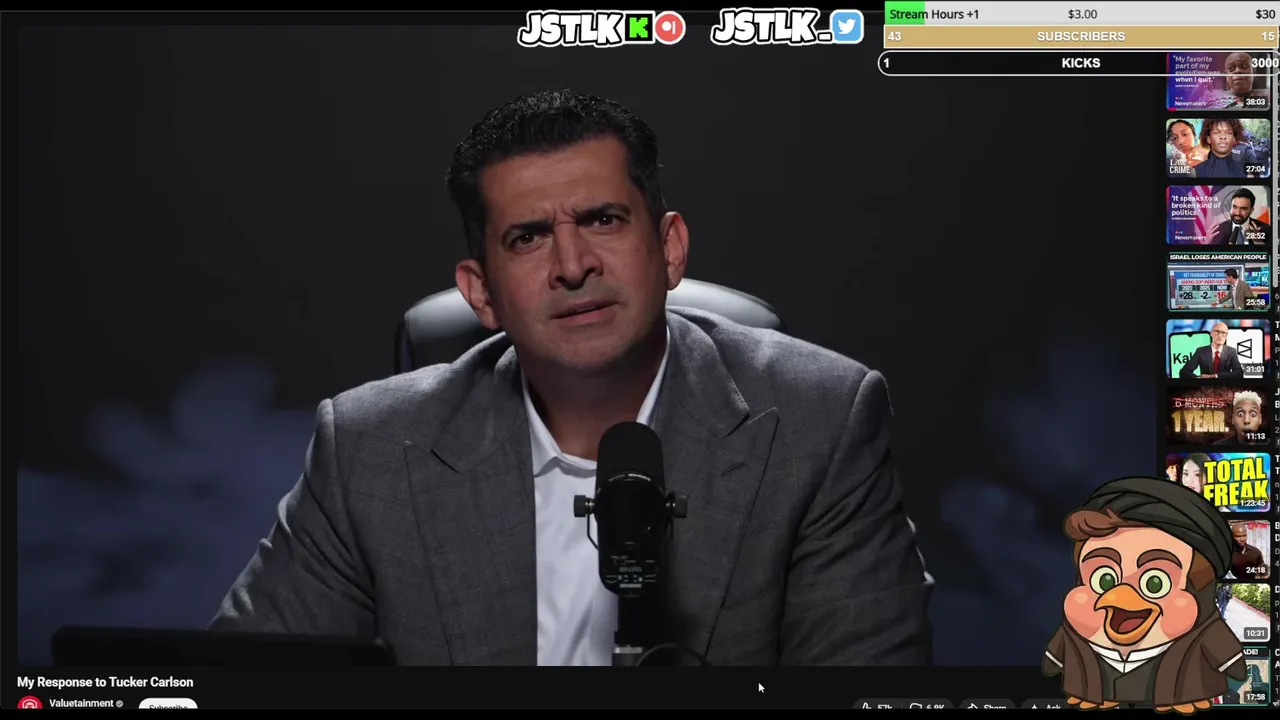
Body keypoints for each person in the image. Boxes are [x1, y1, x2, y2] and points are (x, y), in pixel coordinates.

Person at [209, 89, 935, 667]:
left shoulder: (821, 423)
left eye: (604, 220)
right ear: (481, 292)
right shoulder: (367, 451)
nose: (573, 265)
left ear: (670, 248)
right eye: (528, 237)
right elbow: (238, 685)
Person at [1178, 323, 1243, 379]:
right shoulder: (1201, 351)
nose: (1220, 335)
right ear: (1211, 333)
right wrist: (1198, 379)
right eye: (1217, 331)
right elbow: (1184, 372)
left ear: (1226, 336)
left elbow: (1239, 373)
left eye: (1223, 333)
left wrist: (1215, 376)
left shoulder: (1231, 351)